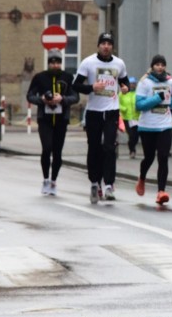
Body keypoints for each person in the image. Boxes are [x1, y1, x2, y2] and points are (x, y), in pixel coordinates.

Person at [73, 32, 130, 204]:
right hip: (94, 112)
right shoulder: (88, 62)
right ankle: (94, 182)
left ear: (112, 46)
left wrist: (125, 87)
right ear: (98, 45)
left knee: (109, 148)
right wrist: (92, 87)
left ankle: (109, 185)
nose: (106, 46)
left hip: (112, 111)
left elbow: (124, 81)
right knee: (94, 148)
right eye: (103, 43)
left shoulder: (119, 63)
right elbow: (76, 85)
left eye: (109, 43)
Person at [26, 50, 79, 196]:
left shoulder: (67, 77)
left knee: (57, 152)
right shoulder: (40, 77)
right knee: (47, 148)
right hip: (45, 119)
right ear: (48, 63)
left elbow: (75, 97)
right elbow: (30, 95)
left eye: (58, 63)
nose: (55, 65)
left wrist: (62, 99)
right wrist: (42, 100)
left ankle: (54, 181)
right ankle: (45, 179)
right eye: (52, 63)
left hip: (62, 119)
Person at [134, 55, 172, 204]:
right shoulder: (145, 82)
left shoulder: (169, 80)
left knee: (163, 157)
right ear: (152, 66)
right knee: (149, 158)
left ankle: (161, 191)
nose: (160, 67)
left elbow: (169, 98)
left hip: (165, 125)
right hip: (148, 126)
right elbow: (139, 105)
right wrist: (157, 98)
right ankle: (142, 178)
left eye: (163, 65)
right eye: (157, 64)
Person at [119, 76, 140, 159]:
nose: (132, 85)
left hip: (136, 117)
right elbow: (117, 103)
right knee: (131, 135)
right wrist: (124, 109)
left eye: (134, 84)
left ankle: (133, 147)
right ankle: (132, 150)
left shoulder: (138, 93)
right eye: (131, 84)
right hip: (126, 118)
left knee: (136, 136)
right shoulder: (122, 94)